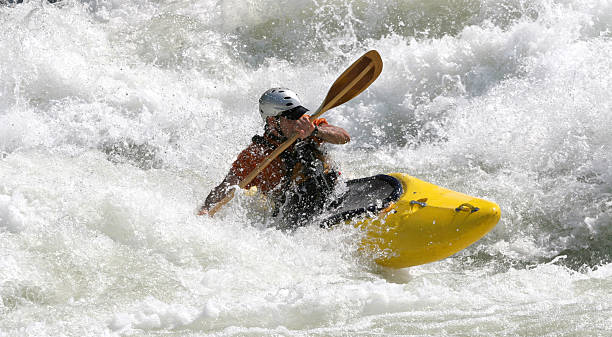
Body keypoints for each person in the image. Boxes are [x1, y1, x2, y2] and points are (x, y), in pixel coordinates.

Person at [198, 88, 350, 227]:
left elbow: (344, 137)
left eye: (299, 113)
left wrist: (316, 131)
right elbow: (226, 186)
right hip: (294, 210)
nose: (298, 120)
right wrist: (206, 208)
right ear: (272, 121)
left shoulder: (307, 125)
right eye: (291, 117)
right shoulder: (255, 156)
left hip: (332, 190)